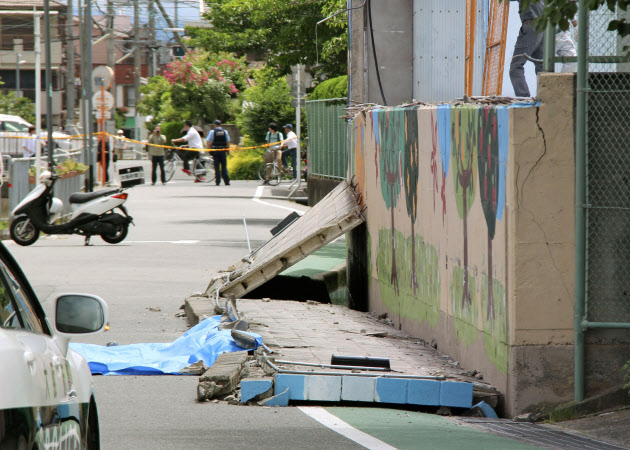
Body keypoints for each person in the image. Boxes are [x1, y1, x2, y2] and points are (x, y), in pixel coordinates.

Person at [509, 0, 545, 97]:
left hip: (531, 26)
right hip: (542, 28)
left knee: (516, 66)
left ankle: (523, 98)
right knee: (542, 67)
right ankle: (545, 98)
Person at [206, 119, 231, 186]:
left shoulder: (212, 132)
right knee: (224, 166)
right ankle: (226, 181)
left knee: (216, 167)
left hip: (215, 151)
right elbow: (228, 142)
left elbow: (208, 142)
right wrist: (228, 150)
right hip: (223, 151)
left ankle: (218, 181)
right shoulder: (225, 132)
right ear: (220, 125)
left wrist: (209, 150)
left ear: (215, 125)